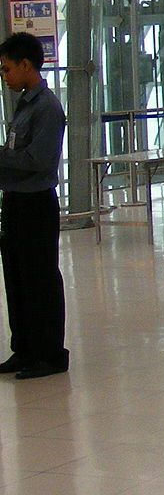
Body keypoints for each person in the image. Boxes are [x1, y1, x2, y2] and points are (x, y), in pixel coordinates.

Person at [0, 33, 68, 380]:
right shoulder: (24, 104)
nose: (5, 76)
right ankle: (24, 348)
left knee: (39, 278)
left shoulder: (47, 107)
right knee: (17, 277)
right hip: (14, 200)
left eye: (8, 69)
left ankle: (50, 353)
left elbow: (38, 160)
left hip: (36, 204)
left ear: (26, 65)